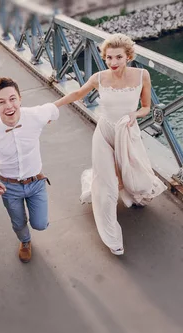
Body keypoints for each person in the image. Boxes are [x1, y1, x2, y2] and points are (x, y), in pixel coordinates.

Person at [55, 33, 166, 255]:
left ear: (128, 57)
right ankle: (111, 236)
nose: (113, 62)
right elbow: (77, 93)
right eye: (108, 58)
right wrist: (51, 107)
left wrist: (136, 114)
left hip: (127, 132)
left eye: (118, 57)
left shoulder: (142, 75)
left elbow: (146, 106)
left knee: (133, 176)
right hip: (104, 132)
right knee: (105, 184)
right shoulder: (99, 78)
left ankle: (133, 195)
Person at [0, 77, 60, 263]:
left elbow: (53, 110)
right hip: (9, 186)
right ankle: (25, 242)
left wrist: (50, 119)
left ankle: (36, 223)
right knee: (18, 222)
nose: (8, 106)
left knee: (40, 224)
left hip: (36, 182)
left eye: (13, 99)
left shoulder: (35, 115)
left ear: (20, 99)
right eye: (1, 102)